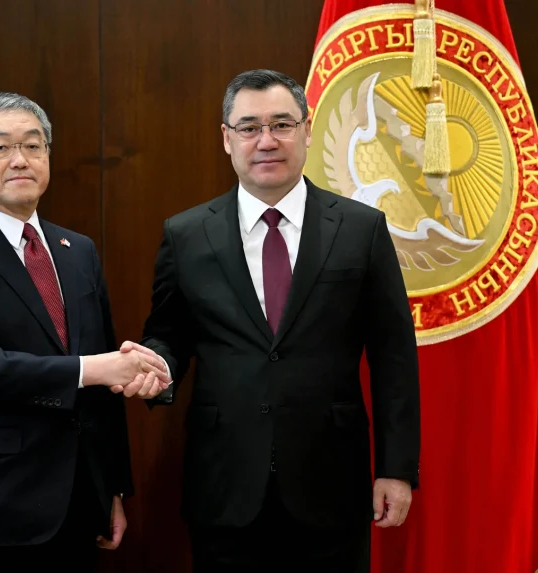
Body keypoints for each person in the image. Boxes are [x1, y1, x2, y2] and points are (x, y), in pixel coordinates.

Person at [128, 69, 420, 572]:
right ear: (227, 139)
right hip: (225, 484)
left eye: (282, 124)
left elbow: (394, 357)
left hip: (331, 481)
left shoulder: (361, 229)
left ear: (307, 131)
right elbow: (169, 335)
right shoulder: (186, 234)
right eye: (249, 127)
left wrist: (396, 468)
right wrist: (158, 368)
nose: (266, 141)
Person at [0, 92, 169, 573]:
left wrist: (111, 488)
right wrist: (93, 369)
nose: (20, 160)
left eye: (33, 145)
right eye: (1, 147)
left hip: (78, 505)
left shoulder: (78, 250)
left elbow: (103, 384)